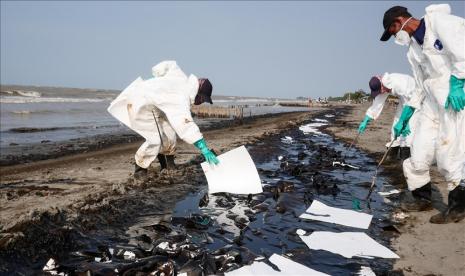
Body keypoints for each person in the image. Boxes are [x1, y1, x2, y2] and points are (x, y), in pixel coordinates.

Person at [380, 4, 465, 223]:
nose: (394, 36)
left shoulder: (440, 23)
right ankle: (422, 198)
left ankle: (458, 206)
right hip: (431, 101)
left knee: (450, 153)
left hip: (454, 98)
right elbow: (419, 84)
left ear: (399, 22)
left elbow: (462, 49)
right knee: (418, 149)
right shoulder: (413, 50)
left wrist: (458, 82)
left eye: (392, 31)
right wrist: (407, 113)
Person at [108, 60, 219, 178]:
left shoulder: (179, 76)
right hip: (141, 103)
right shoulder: (181, 97)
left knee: (169, 132)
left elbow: (165, 66)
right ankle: (140, 169)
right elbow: (185, 125)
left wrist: (157, 80)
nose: (200, 102)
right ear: (198, 92)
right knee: (155, 140)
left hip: (151, 101)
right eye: (202, 99)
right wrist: (203, 148)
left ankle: (167, 165)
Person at [358, 73, 417, 160]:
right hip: (404, 101)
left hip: (416, 99)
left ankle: (406, 159)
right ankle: (393, 157)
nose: (380, 93)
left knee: (408, 131)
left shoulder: (399, 83)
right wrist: (365, 121)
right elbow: (376, 105)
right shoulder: (384, 86)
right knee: (395, 127)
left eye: (380, 91)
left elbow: (410, 103)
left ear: (382, 86)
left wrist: (405, 121)